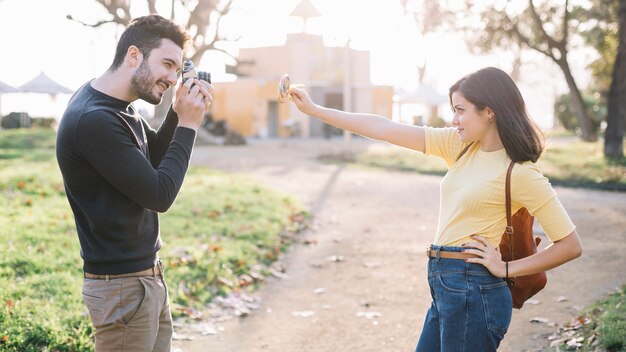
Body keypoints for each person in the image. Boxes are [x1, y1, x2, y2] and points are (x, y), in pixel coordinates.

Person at [289, 67, 583, 351]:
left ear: (489, 112)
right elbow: (384, 128)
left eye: (460, 109)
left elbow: (570, 245)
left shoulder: (520, 173)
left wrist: (506, 268)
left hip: (474, 290)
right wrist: (316, 110)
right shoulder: (461, 147)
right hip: (445, 284)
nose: (454, 119)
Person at [56, 15, 213, 351]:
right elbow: (159, 194)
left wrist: (176, 110)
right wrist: (188, 125)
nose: (172, 78)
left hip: (142, 280)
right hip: (122, 289)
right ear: (133, 55)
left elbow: (150, 159)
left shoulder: (116, 107)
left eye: (177, 69)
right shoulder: (94, 119)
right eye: (167, 65)